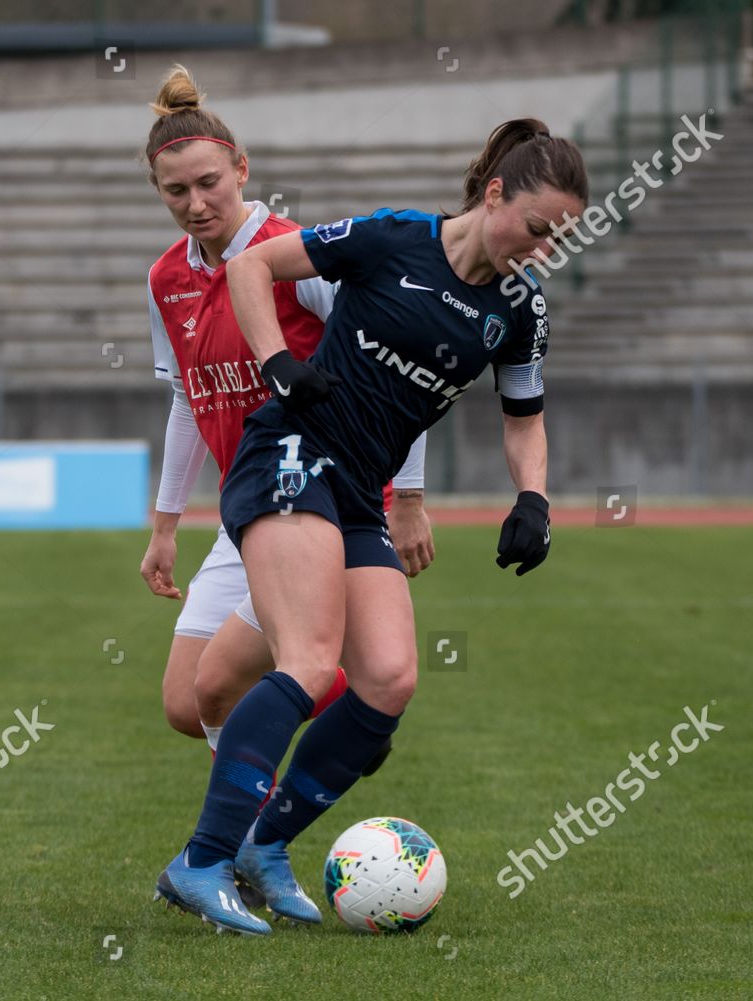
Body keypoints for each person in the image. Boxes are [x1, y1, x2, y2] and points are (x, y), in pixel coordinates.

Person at [154, 118, 588, 934]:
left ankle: (264, 843)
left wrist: (533, 499)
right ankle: (202, 859)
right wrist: (277, 361)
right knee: (312, 661)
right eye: (537, 227)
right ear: (496, 194)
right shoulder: (395, 238)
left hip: (358, 492)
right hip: (290, 453)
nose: (544, 247)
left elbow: (525, 417)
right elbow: (251, 266)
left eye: (561, 236)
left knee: (387, 679)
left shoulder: (521, 309)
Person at [138, 64, 433, 759]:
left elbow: (394, 371)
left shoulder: (301, 257)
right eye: (176, 190)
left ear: (242, 169)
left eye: (209, 182)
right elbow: (188, 395)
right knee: (187, 703)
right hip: (245, 507)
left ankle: (249, 838)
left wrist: (411, 496)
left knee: (247, 683)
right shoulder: (164, 279)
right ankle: (354, 705)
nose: (196, 202)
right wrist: (164, 525)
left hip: (322, 500)